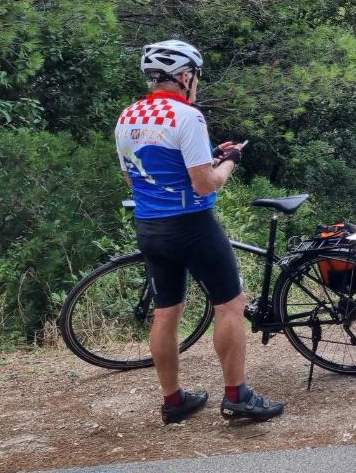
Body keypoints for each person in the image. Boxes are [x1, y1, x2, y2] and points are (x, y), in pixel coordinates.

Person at [114, 40, 284, 424]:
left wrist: (210, 156)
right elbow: (205, 183)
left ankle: (173, 401)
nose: (197, 83)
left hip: (149, 226)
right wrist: (230, 163)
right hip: (192, 225)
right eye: (196, 76)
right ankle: (237, 396)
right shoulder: (186, 116)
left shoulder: (127, 117)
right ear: (184, 76)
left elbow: (133, 176)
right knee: (231, 304)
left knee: (166, 310)